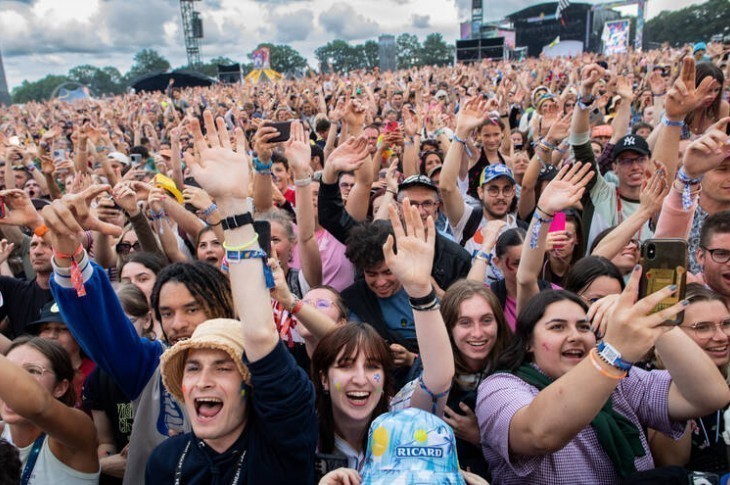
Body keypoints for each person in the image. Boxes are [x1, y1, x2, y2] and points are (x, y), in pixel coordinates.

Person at [146, 109, 317, 482]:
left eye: (223, 367)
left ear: (249, 384)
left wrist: (233, 209)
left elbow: (258, 334)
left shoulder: (282, 444)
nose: (204, 381)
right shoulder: (164, 463)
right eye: (193, 368)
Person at [43, 185, 236, 484]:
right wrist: (71, 256)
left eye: (192, 309)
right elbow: (100, 322)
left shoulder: (255, 363)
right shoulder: (149, 364)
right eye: (167, 313)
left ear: (221, 307)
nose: (177, 324)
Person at [477, 272, 730, 484]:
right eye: (557, 327)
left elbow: (710, 396)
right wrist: (612, 353)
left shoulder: (621, 380)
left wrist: (654, 321)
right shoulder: (500, 387)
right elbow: (538, 433)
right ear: (529, 342)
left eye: (584, 326)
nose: (575, 336)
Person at [312, 199, 454, 473]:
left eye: (373, 365)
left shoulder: (402, 416)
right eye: (345, 365)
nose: (360, 378)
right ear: (323, 378)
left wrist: (420, 290)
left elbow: (438, 377)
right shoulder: (300, 430)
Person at [649, 283, 730, 473]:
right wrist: (677, 370)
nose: (721, 336)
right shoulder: (649, 380)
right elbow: (671, 460)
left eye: (726, 324)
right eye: (702, 327)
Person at [0, 336, 99, 483]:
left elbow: (38, 405)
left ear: (60, 387)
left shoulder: (78, 433)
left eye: (33, 371)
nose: (15, 385)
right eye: (11, 373)